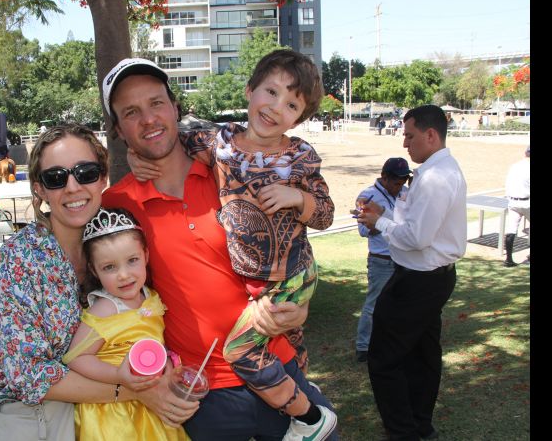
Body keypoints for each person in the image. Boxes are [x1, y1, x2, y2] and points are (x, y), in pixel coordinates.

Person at [101, 56, 338, 441]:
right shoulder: (117, 205)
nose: (148, 119)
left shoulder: (232, 170)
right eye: (131, 112)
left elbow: (293, 243)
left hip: (275, 364)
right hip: (202, 392)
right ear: (118, 129)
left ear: (175, 107)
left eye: (157, 103)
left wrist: (299, 308)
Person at [0, 124, 199, 441]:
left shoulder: (119, 242)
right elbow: (26, 374)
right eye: (56, 178)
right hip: (32, 422)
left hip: (107, 422)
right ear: (40, 190)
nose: (73, 187)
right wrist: (136, 391)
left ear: (103, 178)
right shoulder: (21, 259)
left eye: (86, 172)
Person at [357, 104, 466, 441]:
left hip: (418, 281)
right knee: (422, 354)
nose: (404, 143)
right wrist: (385, 215)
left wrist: (379, 222)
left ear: (430, 135)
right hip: (428, 277)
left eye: (409, 135)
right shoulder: (437, 171)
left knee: (383, 358)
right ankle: (419, 425)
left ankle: (404, 431)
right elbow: (416, 223)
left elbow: (417, 238)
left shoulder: (434, 178)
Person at [63, 207, 188, 440]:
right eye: (109, 267)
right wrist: (118, 375)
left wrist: (168, 365)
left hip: (150, 403)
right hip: (113, 412)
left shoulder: (150, 296)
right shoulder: (105, 309)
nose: (123, 275)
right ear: (94, 270)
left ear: (146, 256)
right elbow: (76, 358)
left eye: (132, 260)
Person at [353, 157, 412, 363]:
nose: (400, 187)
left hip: (404, 258)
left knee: (401, 303)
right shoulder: (367, 196)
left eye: (403, 182)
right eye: (396, 182)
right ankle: (364, 346)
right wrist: (384, 224)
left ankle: (394, 342)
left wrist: (386, 221)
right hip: (382, 260)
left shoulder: (405, 193)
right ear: (384, 177)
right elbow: (363, 230)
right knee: (374, 305)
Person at [503, 145, 530, 267]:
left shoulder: (514, 166)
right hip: (527, 202)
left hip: (513, 201)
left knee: (511, 230)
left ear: (525, 153)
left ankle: (508, 259)